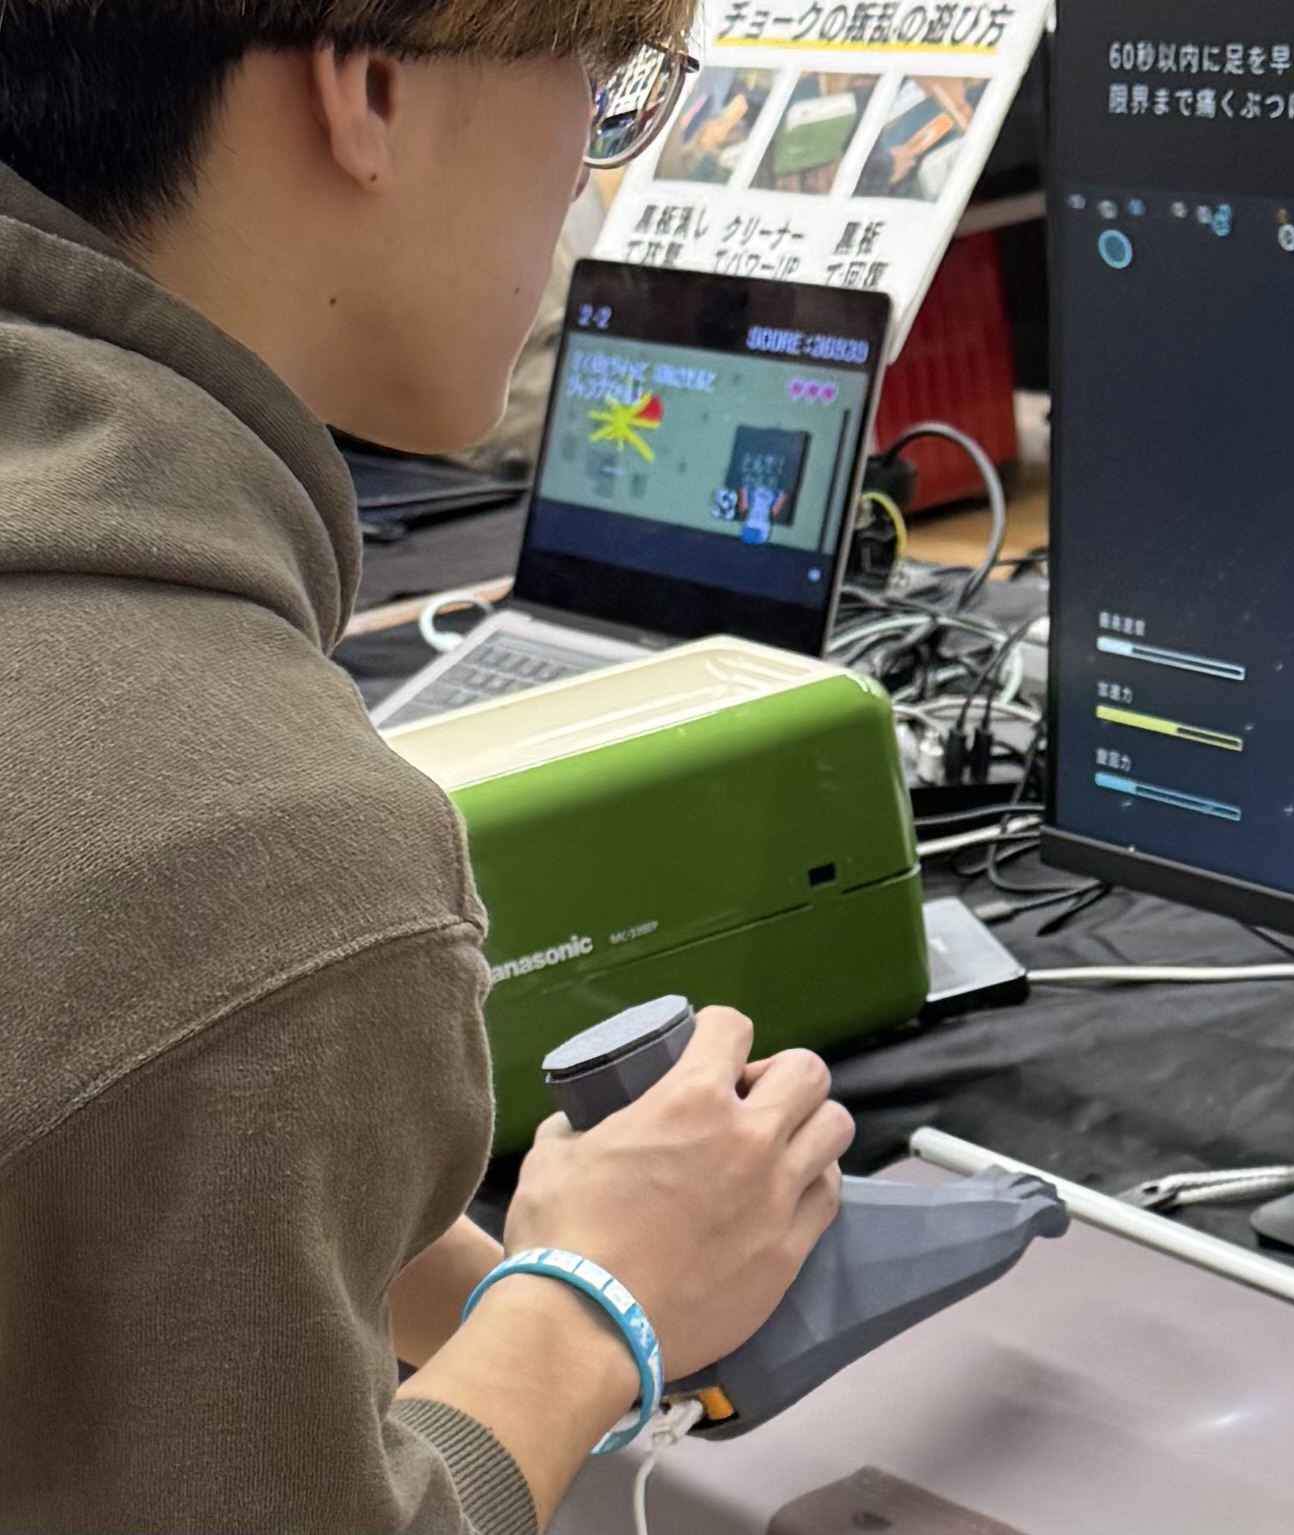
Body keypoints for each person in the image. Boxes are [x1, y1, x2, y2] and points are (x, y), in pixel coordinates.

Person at [0, 4, 854, 1530]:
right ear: (370, 88)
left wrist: (426, 1251)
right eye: (600, 83)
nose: (584, 170)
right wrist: (593, 1306)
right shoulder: (260, 860)